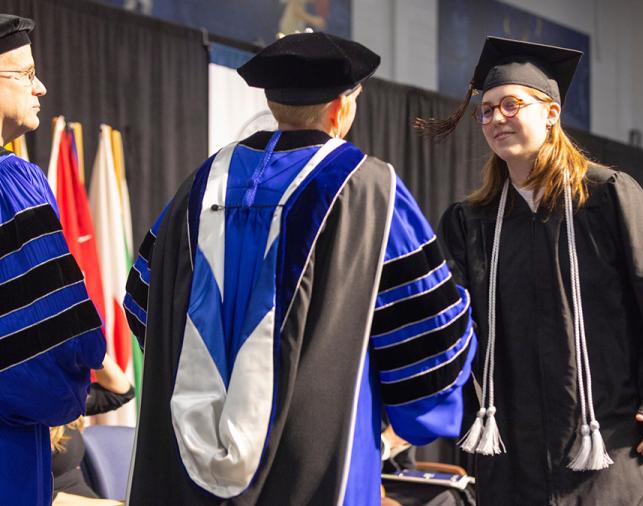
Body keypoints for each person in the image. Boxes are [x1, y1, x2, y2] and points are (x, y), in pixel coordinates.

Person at [122, 31, 475, 505]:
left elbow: (144, 304)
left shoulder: (198, 187)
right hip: (319, 466)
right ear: (339, 108)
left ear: (273, 101)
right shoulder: (368, 192)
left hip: (186, 468)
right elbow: (428, 339)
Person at [420, 36, 643, 504]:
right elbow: (455, 327)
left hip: (610, 441)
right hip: (514, 445)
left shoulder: (607, 197)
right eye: (486, 110)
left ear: (551, 114)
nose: (495, 118)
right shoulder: (472, 221)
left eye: (511, 105)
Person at [0, 14, 106, 506]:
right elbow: (46, 356)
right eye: (24, 73)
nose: (39, 87)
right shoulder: (15, 184)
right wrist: (71, 379)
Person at [51, 353, 134, 505]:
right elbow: (27, 495)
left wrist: (91, 345)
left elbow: (120, 392)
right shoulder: (15, 416)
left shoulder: (62, 401)